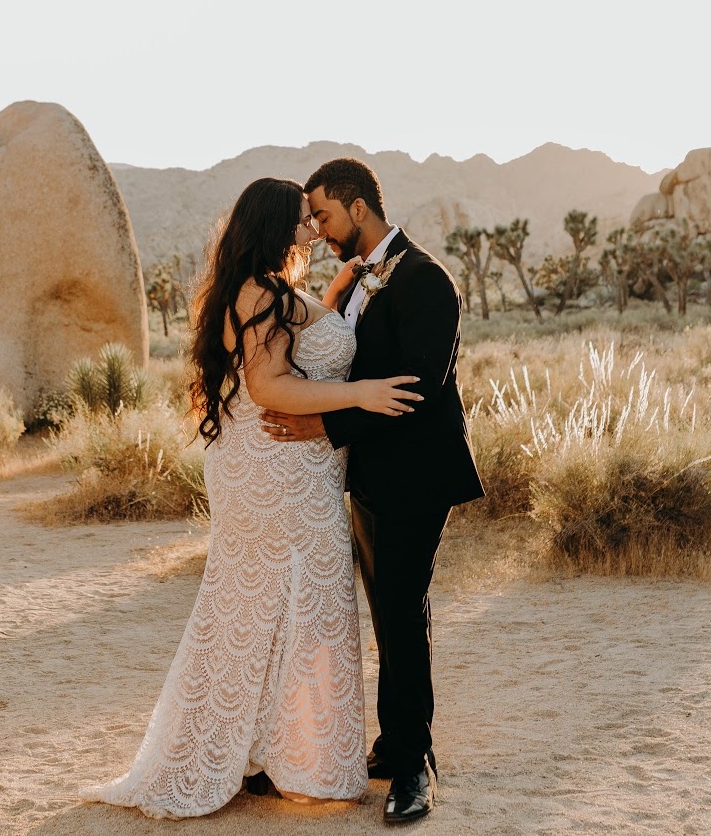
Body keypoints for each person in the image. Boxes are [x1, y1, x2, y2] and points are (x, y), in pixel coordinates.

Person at [78, 176, 419, 820]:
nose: (310, 230)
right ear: (272, 225)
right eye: (301, 219)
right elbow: (269, 386)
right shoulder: (260, 292)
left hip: (281, 467)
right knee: (299, 600)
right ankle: (296, 757)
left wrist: (332, 299)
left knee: (273, 603)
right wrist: (360, 393)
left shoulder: (265, 290)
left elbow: (289, 352)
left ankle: (277, 750)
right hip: (277, 471)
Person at [261, 156, 485, 824]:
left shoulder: (427, 280)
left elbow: (417, 389)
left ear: (358, 206)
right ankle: (395, 742)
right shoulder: (356, 281)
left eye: (324, 214)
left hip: (419, 474)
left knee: (401, 604)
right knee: (387, 611)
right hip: (369, 477)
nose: (319, 229)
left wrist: (315, 423)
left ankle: (416, 763)